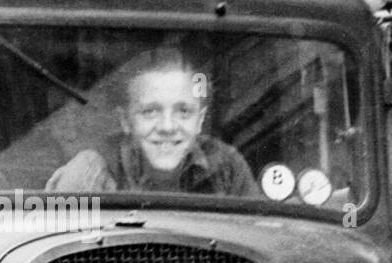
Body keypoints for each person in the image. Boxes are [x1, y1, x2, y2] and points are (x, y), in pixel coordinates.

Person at [47, 48, 256, 196]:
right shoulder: (90, 172)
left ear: (199, 120)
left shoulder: (227, 167)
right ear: (126, 121)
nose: (167, 127)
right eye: (150, 112)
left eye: (183, 111)